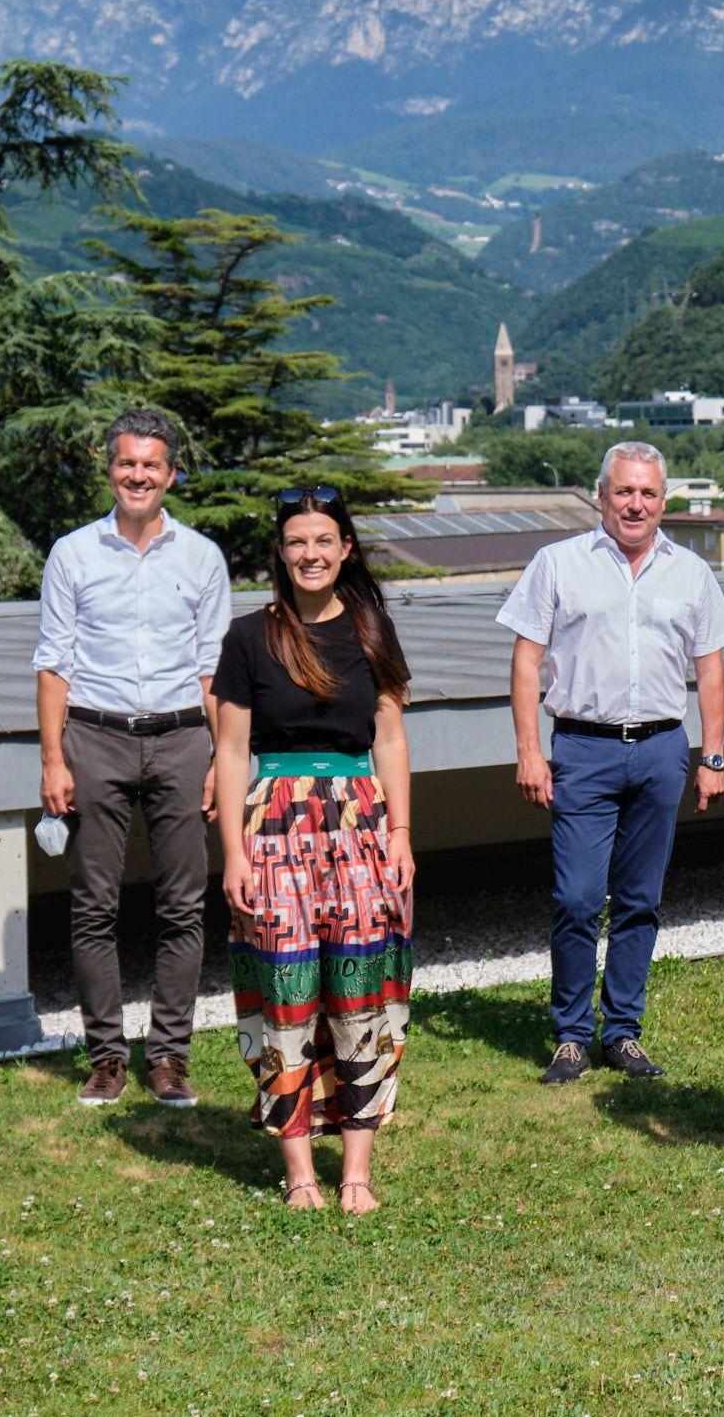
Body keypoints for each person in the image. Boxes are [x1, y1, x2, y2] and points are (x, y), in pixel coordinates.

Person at [498, 441, 724, 1084]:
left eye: (648, 494)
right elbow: (526, 661)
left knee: (640, 899)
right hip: (583, 748)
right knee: (577, 898)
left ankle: (623, 1032)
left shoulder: (690, 573)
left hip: (662, 749)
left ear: (664, 502)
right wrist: (529, 751)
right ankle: (572, 1035)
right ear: (601, 495)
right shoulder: (556, 564)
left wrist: (712, 756)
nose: (636, 504)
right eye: (624, 492)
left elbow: (710, 667)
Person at [210, 488, 416, 1215]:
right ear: (281, 552)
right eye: (297, 542)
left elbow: (389, 739)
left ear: (346, 548)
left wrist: (400, 837)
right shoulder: (247, 638)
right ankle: (300, 1168)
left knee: (362, 991)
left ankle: (356, 1167)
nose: (310, 554)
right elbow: (231, 751)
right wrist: (232, 851)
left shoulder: (372, 631)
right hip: (272, 827)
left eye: (323, 540)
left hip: (362, 823)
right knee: (286, 994)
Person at [32, 409, 231, 1109]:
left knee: (183, 905)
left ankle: (170, 1057)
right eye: (126, 464)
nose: (137, 476)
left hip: (182, 739)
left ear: (171, 473)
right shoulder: (72, 553)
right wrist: (54, 759)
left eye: (151, 465)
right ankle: (107, 1057)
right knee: (94, 907)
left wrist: (219, 760)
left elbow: (213, 669)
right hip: (95, 737)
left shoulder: (202, 557)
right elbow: (54, 664)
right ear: (109, 468)